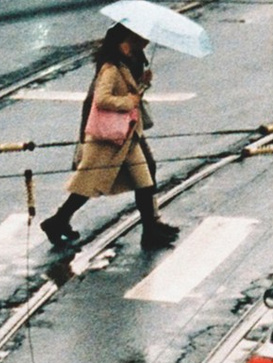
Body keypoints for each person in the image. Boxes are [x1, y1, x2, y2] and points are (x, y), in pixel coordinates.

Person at [41, 20, 179, 257]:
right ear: (124, 41)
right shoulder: (110, 68)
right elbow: (101, 99)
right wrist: (128, 101)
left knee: (145, 176)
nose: (144, 41)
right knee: (88, 184)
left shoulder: (132, 60)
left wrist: (143, 83)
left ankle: (150, 229)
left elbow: (130, 93)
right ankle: (57, 221)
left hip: (127, 134)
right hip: (108, 136)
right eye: (138, 37)